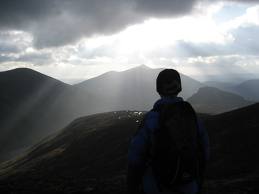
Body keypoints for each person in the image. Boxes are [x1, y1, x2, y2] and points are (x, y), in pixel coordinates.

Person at [127, 69, 209, 194]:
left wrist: (132, 184)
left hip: (157, 185)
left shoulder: (152, 118)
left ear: (159, 89)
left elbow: (135, 156)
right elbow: (204, 150)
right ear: (179, 87)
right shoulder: (192, 116)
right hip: (189, 183)